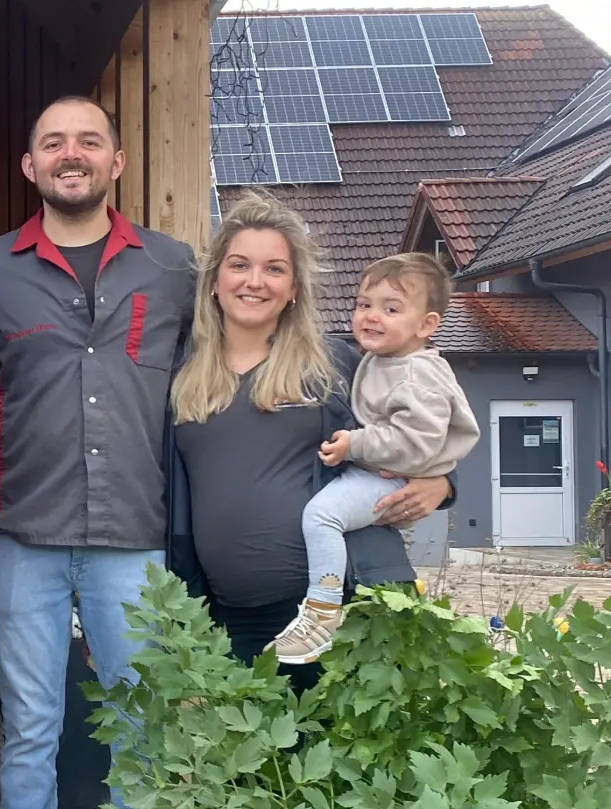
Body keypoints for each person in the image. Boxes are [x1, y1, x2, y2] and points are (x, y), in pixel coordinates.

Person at [0, 94, 196, 809]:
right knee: (29, 734)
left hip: (138, 534)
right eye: (53, 143)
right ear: (31, 166)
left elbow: (222, 386)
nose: (71, 153)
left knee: (141, 733)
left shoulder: (173, 267)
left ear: (117, 161)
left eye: (89, 141)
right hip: (24, 531)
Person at [165, 191, 456, 691]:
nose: (255, 281)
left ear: (295, 286)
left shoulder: (339, 365)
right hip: (228, 616)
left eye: (274, 269)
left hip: (337, 611)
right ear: (214, 280)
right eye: (239, 265)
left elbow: (427, 418)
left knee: (329, 765)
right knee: (251, 768)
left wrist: (444, 483)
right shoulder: (179, 374)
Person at [271, 251, 479, 664]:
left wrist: (355, 445)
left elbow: (417, 442)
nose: (371, 316)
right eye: (364, 305)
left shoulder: (415, 372)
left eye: (391, 308)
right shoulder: (381, 360)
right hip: (384, 473)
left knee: (322, 517)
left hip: (389, 477)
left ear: (426, 325)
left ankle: (322, 613)